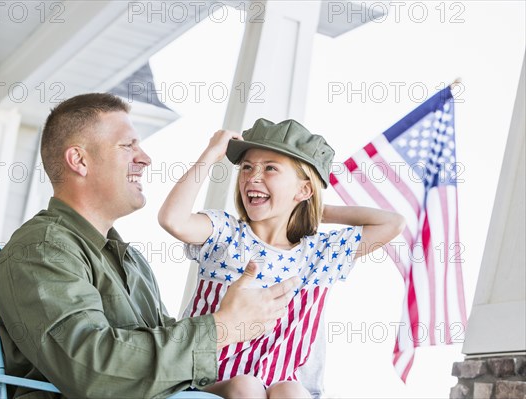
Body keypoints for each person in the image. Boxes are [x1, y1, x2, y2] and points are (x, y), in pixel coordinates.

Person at [0, 93, 299, 399]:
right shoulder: (42, 250)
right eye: (127, 146)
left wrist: (234, 382)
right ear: (79, 160)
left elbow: (161, 369)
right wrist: (222, 327)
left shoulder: (130, 260)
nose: (145, 158)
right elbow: (92, 370)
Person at [158, 118, 406, 398]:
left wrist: (315, 208)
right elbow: (173, 220)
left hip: (277, 385)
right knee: (246, 384)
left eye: (270, 168)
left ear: (304, 190)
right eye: (247, 167)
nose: (252, 176)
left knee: (292, 391)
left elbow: (392, 223)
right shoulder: (225, 234)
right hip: (207, 379)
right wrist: (210, 154)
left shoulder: (319, 256)